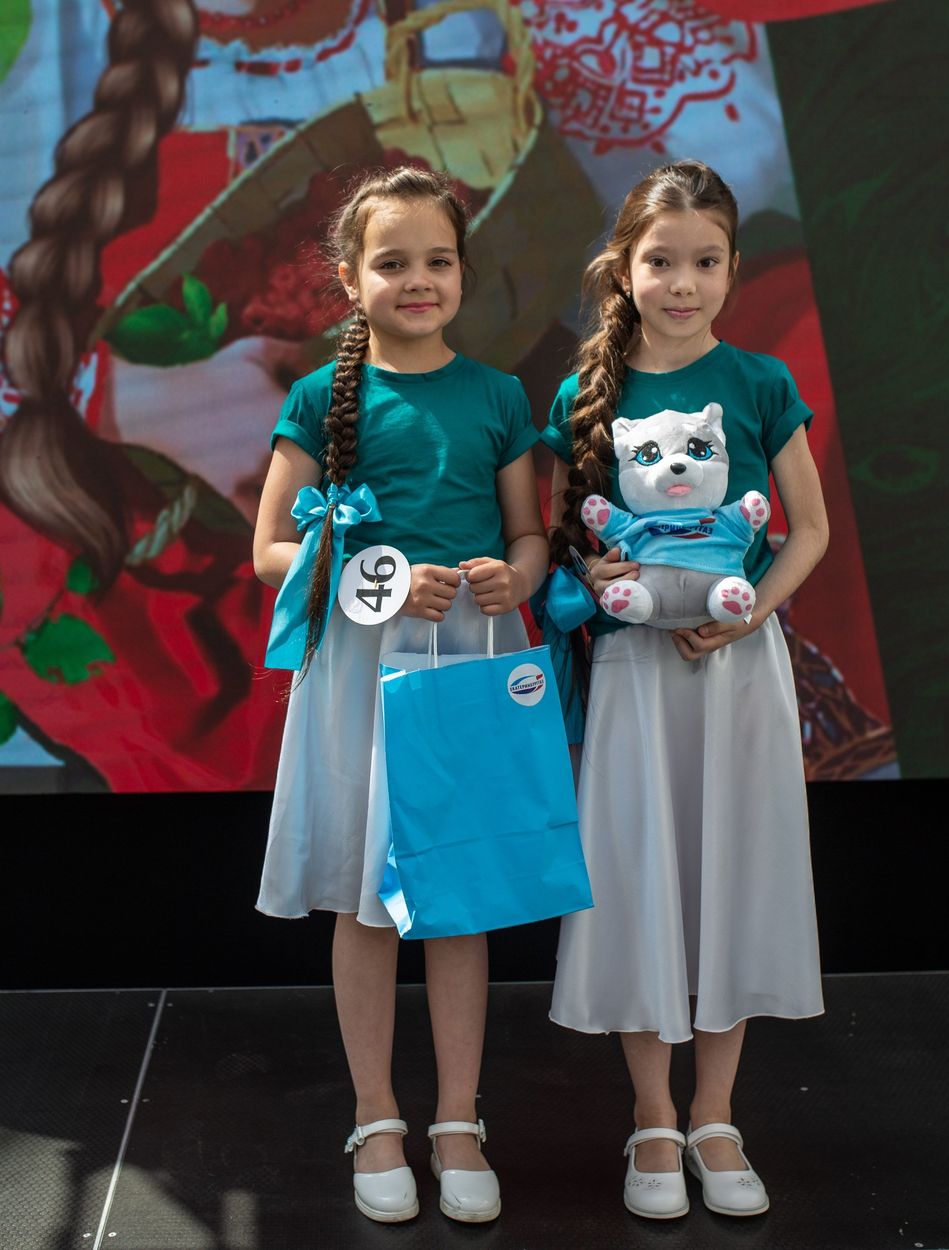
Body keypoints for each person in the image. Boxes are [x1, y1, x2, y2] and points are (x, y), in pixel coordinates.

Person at [252, 166, 548, 1224]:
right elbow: (270, 548)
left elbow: (527, 532)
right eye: (392, 262)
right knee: (366, 899)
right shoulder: (314, 398)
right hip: (361, 664)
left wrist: (518, 576)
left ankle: (457, 1118)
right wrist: (377, 572)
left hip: (468, 658)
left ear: (462, 272)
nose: (418, 279)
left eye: (438, 260)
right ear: (349, 278)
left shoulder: (498, 395)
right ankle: (376, 1115)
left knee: (456, 892)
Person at [544, 160, 827, 1220]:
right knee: (639, 876)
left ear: (732, 269)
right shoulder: (584, 395)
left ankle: (715, 1113)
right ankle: (654, 1115)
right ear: (625, 265)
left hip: (736, 669)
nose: (682, 283)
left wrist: (749, 613)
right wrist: (595, 573)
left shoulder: (757, 383)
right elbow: (567, 541)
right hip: (634, 674)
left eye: (705, 262)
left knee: (730, 873)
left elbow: (809, 531)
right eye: (661, 261)